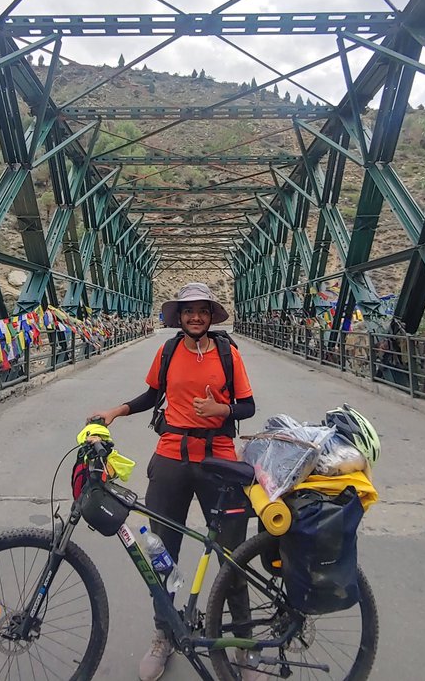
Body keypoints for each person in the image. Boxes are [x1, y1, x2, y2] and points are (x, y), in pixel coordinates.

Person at [92, 281, 258, 681]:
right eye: (188, 311)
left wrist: (222, 409)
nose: (195, 316)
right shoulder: (167, 351)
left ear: (211, 315)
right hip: (171, 459)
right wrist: (118, 410)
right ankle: (164, 635)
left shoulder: (227, 353)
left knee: (231, 555)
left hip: (219, 459)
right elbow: (152, 395)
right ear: (178, 317)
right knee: (162, 553)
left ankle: (242, 644)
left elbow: (248, 407)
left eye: (202, 310)